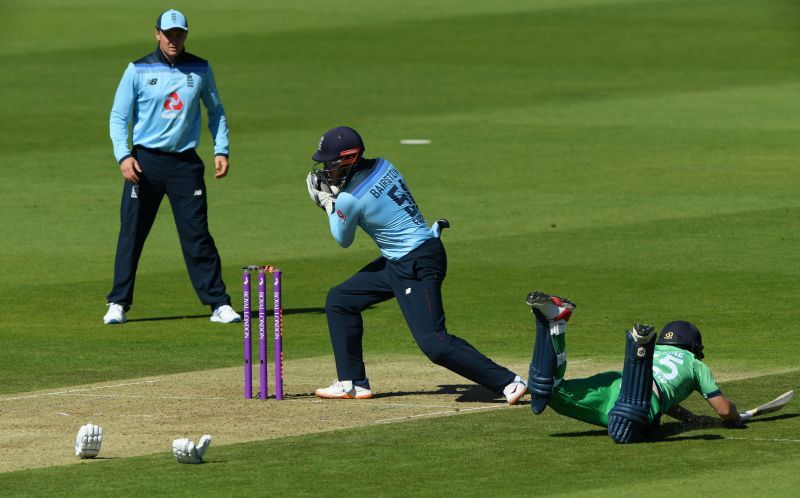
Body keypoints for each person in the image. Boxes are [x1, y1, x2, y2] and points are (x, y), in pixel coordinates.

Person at [305, 126, 527, 403]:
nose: (327, 168)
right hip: (403, 258)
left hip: (415, 264)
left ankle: (508, 382)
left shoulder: (350, 199)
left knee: (433, 342)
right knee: (341, 300)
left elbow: (342, 238)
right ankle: (353, 383)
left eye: (331, 163)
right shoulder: (384, 165)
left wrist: (328, 202)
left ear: (349, 159)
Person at [104, 9, 240, 325]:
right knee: (132, 234)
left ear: (185, 35)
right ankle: (118, 303)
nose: (173, 40)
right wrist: (124, 156)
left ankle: (218, 304)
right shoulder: (137, 70)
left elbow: (216, 111)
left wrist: (221, 149)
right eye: (168, 34)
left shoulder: (200, 69)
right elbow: (118, 117)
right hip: (145, 163)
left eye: (179, 34)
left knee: (197, 235)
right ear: (157, 34)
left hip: (185, 165)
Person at [525, 290, 743, 443]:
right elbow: (724, 410)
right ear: (693, 347)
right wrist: (736, 418)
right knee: (622, 431)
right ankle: (640, 346)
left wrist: (692, 419)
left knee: (545, 390)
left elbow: (668, 402)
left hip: (616, 383)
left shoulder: (661, 352)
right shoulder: (695, 364)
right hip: (639, 396)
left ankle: (555, 322)